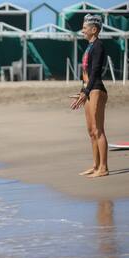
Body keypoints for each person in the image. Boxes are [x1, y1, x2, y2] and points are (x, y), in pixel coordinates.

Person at [71, 14, 109, 178]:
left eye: (85, 28)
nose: (83, 30)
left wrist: (86, 92)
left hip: (96, 90)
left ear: (94, 30)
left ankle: (104, 168)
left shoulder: (98, 45)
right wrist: (82, 91)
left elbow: (95, 72)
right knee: (91, 131)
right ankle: (95, 166)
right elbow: (85, 74)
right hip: (88, 89)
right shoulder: (89, 47)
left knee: (98, 130)